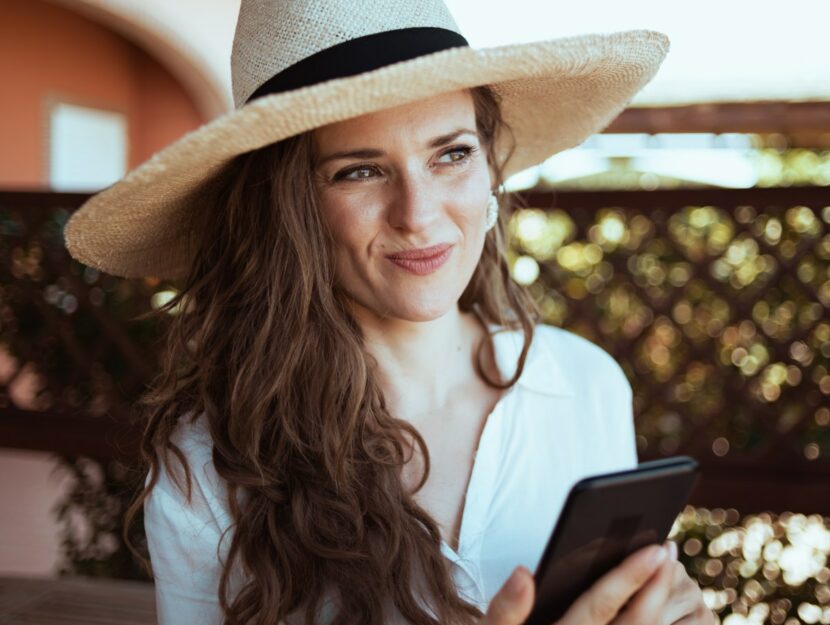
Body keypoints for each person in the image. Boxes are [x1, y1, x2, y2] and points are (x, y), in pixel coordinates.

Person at [64, 1, 716, 624]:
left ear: (489, 165)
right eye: (359, 171)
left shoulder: (587, 384)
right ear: (291, 209)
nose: (419, 213)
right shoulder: (211, 461)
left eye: (451, 153)